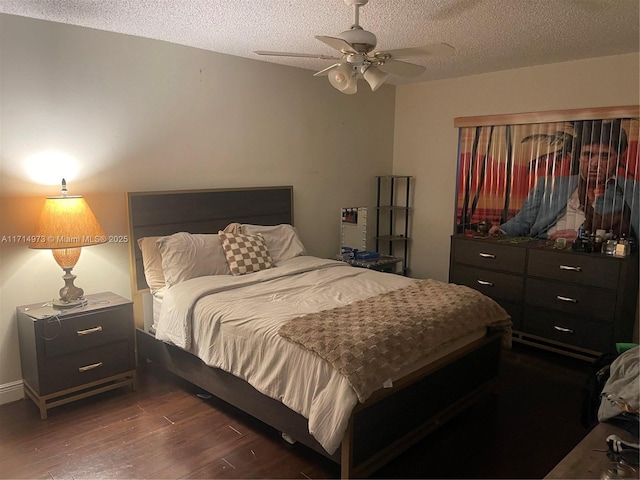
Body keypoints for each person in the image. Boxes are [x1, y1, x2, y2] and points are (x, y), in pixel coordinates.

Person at [489, 120, 639, 242]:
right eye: (588, 155)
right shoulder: (548, 185)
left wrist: (584, 240)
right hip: (543, 246)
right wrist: (501, 230)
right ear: (579, 157)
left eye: (605, 156)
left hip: (596, 256)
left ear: (618, 158)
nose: (595, 163)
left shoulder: (631, 190)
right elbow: (522, 221)